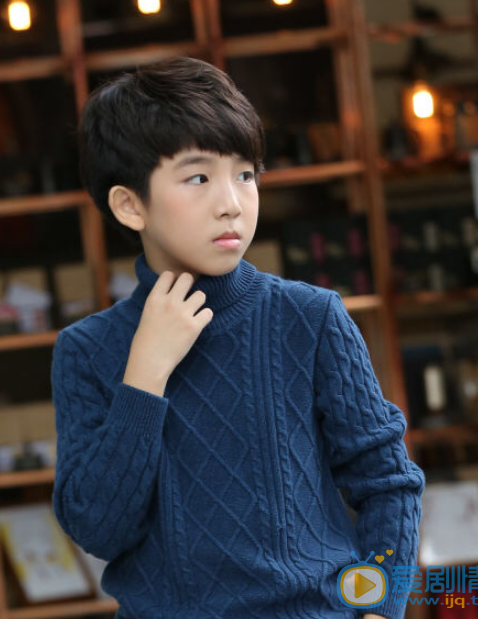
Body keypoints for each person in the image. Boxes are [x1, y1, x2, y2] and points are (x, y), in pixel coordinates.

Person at [51, 55, 425, 619]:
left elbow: (388, 483)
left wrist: (378, 610)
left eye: (246, 174)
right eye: (198, 177)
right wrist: (145, 375)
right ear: (130, 205)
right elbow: (97, 529)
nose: (231, 203)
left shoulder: (310, 317)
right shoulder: (86, 350)